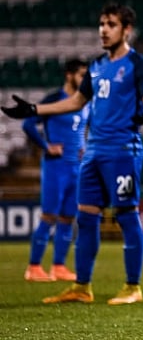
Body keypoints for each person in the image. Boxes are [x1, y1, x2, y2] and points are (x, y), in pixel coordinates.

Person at [2, 2, 143, 305]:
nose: (103, 29)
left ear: (126, 30)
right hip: (93, 154)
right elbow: (76, 101)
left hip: (122, 151)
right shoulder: (97, 66)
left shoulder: (138, 64)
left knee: (126, 215)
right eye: (101, 23)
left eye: (110, 24)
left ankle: (132, 286)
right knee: (86, 219)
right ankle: (81, 286)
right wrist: (35, 109)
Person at [21, 58, 89, 282]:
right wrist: (45, 146)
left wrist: (84, 148)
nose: (85, 79)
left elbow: (82, 130)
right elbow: (28, 124)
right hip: (55, 167)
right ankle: (33, 267)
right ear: (69, 75)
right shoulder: (53, 100)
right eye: (81, 74)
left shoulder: (84, 102)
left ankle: (58, 266)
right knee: (49, 216)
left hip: (75, 167)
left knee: (69, 217)